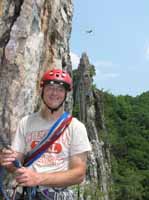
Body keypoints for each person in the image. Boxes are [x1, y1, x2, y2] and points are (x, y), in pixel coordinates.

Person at [0, 69, 91, 199]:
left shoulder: (75, 127)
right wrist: (7, 160)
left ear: (66, 94)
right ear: (42, 90)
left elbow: (79, 174)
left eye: (60, 89)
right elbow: (15, 164)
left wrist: (38, 178)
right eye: (50, 88)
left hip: (54, 194)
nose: (54, 93)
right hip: (25, 193)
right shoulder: (26, 122)